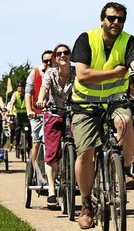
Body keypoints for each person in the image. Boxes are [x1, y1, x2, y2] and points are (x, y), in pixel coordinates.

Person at [71, 1, 134, 229]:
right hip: (85, 103)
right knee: (85, 152)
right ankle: (86, 204)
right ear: (102, 20)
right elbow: (83, 75)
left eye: (120, 19)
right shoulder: (86, 39)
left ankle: (124, 170)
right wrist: (113, 73)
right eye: (112, 18)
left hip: (115, 100)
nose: (116, 23)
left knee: (125, 120)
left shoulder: (128, 41)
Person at [36, 43, 76, 209]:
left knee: (82, 146)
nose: (62, 56)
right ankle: (52, 191)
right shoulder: (50, 73)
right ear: (54, 57)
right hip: (54, 112)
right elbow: (44, 89)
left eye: (66, 53)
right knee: (52, 152)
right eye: (59, 53)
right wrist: (40, 100)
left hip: (74, 113)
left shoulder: (76, 72)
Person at [25, 50, 54, 164]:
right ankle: (33, 168)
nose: (48, 63)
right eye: (45, 61)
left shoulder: (59, 72)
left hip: (54, 112)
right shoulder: (35, 72)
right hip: (37, 113)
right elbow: (28, 92)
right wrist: (29, 110)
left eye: (50, 60)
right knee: (36, 141)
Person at [6, 82, 29, 151]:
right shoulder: (15, 94)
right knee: (17, 127)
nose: (20, 90)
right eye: (19, 88)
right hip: (17, 114)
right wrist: (10, 111)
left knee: (28, 128)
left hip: (26, 113)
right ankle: (17, 143)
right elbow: (12, 102)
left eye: (22, 88)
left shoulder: (27, 94)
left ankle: (29, 143)